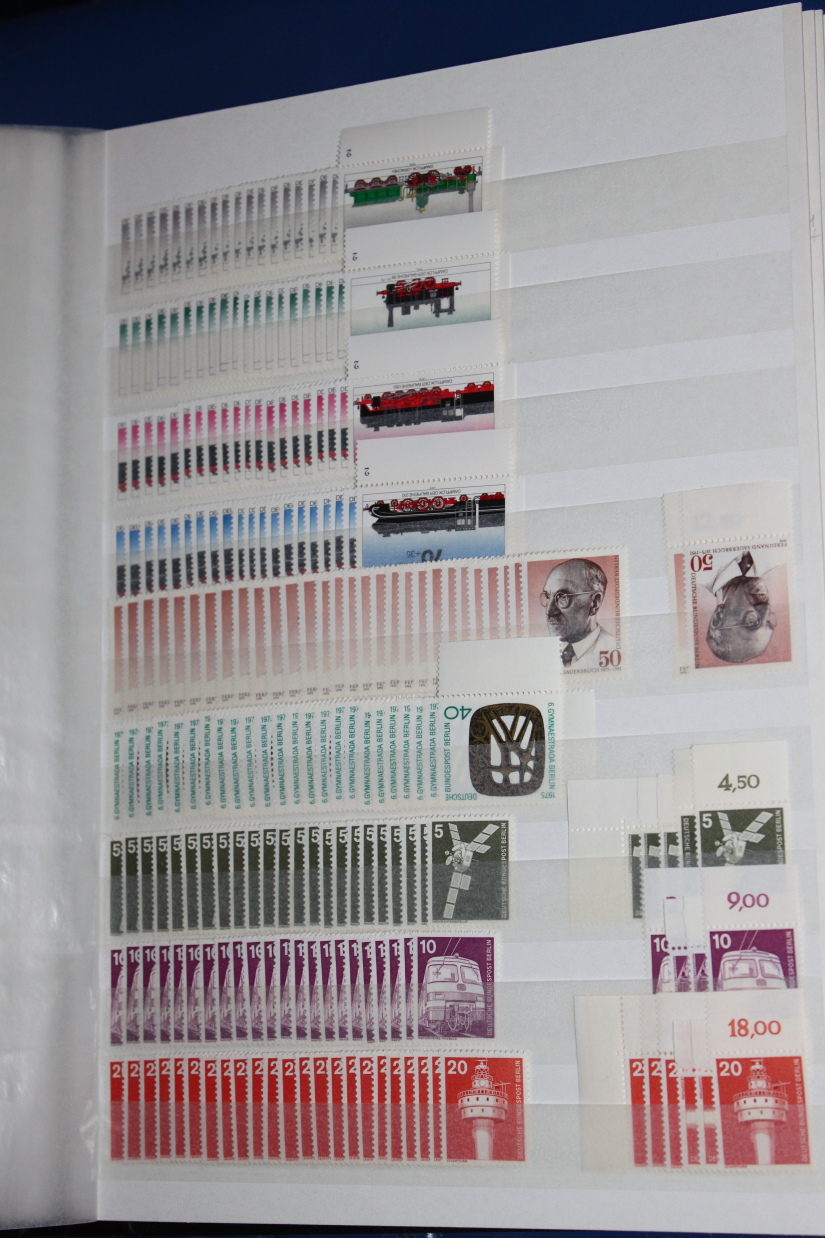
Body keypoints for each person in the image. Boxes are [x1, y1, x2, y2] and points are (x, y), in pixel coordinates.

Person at [540, 558, 618, 669]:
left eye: (563, 597)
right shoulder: (539, 653)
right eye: (548, 596)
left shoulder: (615, 649)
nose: (549, 611)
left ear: (594, 602)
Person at [703, 549, 776, 664]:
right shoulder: (780, 556)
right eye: (768, 622)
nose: (767, 608)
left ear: (718, 617)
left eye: (751, 622)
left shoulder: (697, 570)